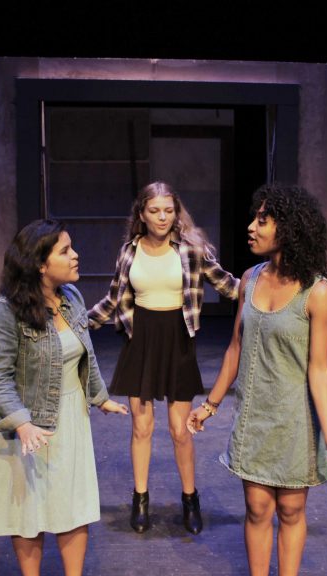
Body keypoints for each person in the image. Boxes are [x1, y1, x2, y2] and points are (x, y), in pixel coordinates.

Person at [188, 184, 327, 576]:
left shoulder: (316, 293)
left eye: (262, 221)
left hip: (295, 420)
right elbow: (235, 347)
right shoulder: (249, 279)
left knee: (291, 509)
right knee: (257, 509)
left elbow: (320, 370)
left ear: (289, 229)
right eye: (254, 219)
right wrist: (210, 404)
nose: (251, 228)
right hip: (254, 416)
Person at [0, 219, 128, 576]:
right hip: (26, 423)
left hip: (71, 418)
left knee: (74, 505)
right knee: (27, 511)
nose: (75, 255)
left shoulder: (72, 298)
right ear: (39, 264)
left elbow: (85, 356)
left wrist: (100, 397)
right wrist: (23, 424)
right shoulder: (5, 311)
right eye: (65, 250)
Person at [88, 181, 239, 535]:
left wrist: (271, 290)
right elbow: (111, 301)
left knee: (180, 430)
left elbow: (229, 285)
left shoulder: (190, 250)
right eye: (154, 211)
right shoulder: (129, 251)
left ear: (176, 213)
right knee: (141, 427)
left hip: (177, 341)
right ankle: (140, 500)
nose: (162, 217)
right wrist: (74, 320)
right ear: (141, 213)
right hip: (140, 342)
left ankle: (190, 499)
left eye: (168, 211)